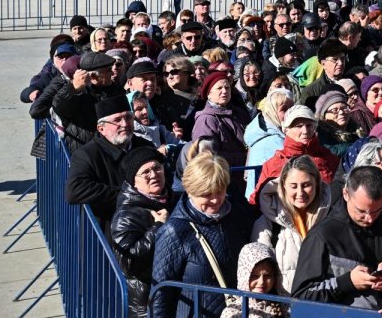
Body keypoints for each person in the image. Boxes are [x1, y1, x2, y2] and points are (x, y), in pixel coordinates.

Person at [291, 165, 382, 310]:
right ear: (345, 194)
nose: (369, 219)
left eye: (377, 210)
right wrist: (347, 282)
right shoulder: (323, 235)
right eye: (361, 211)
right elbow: (300, 297)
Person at [150, 152, 251, 318]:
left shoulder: (237, 215)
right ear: (190, 191)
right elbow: (161, 293)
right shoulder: (174, 230)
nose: (215, 200)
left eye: (219, 191)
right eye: (206, 194)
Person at [109, 146, 177, 318]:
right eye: (145, 172)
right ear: (134, 181)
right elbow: (128, 262)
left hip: (175, 293)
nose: (154, 175)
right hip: (146, 299)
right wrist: (158, 227)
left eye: (157, 168)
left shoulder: (175, 199)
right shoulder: (127, 214)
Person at [65, 94, 153, 224]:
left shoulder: (146, 146)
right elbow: (74, 191)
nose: (125, 124)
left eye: (128, 117)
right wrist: (127, 195)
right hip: (108, 226)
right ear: (101, 128)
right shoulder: (86, 155)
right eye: (117, 120)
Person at [252, 155, 333, 294]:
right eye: (293, 186)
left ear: (317, 184)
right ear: (283, 186)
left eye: (306, 185)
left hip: (322, 304)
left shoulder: (331, 218)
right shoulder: (267, 224)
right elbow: (260, 273)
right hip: (283, 307)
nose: (300, 193)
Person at [251, 105, 340, 204]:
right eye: (298, 126)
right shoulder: (273, 164)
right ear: (286, 129)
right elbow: (257, 199)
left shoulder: (330, 159)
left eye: (309, 125)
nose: (305, 131)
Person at [190, 71, 250, 171]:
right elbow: (208, 156)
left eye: (227, 87)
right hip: (224, 177)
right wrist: (244, 157)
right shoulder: (206, 119)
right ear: (209, 94)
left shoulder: (239, 113)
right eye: (219, 88)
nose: (224, 91)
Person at [244, 89, 294, 197]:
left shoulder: (278, 134)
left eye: (292, 108)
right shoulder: (272, 142)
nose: (290, 113)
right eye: (284, 109)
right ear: (272, 112)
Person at [221, 242, 289, 318]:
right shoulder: (233, 312)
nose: (261, 282)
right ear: (244, 276)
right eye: (254, 276)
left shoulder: (285, 306)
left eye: (267, 276)